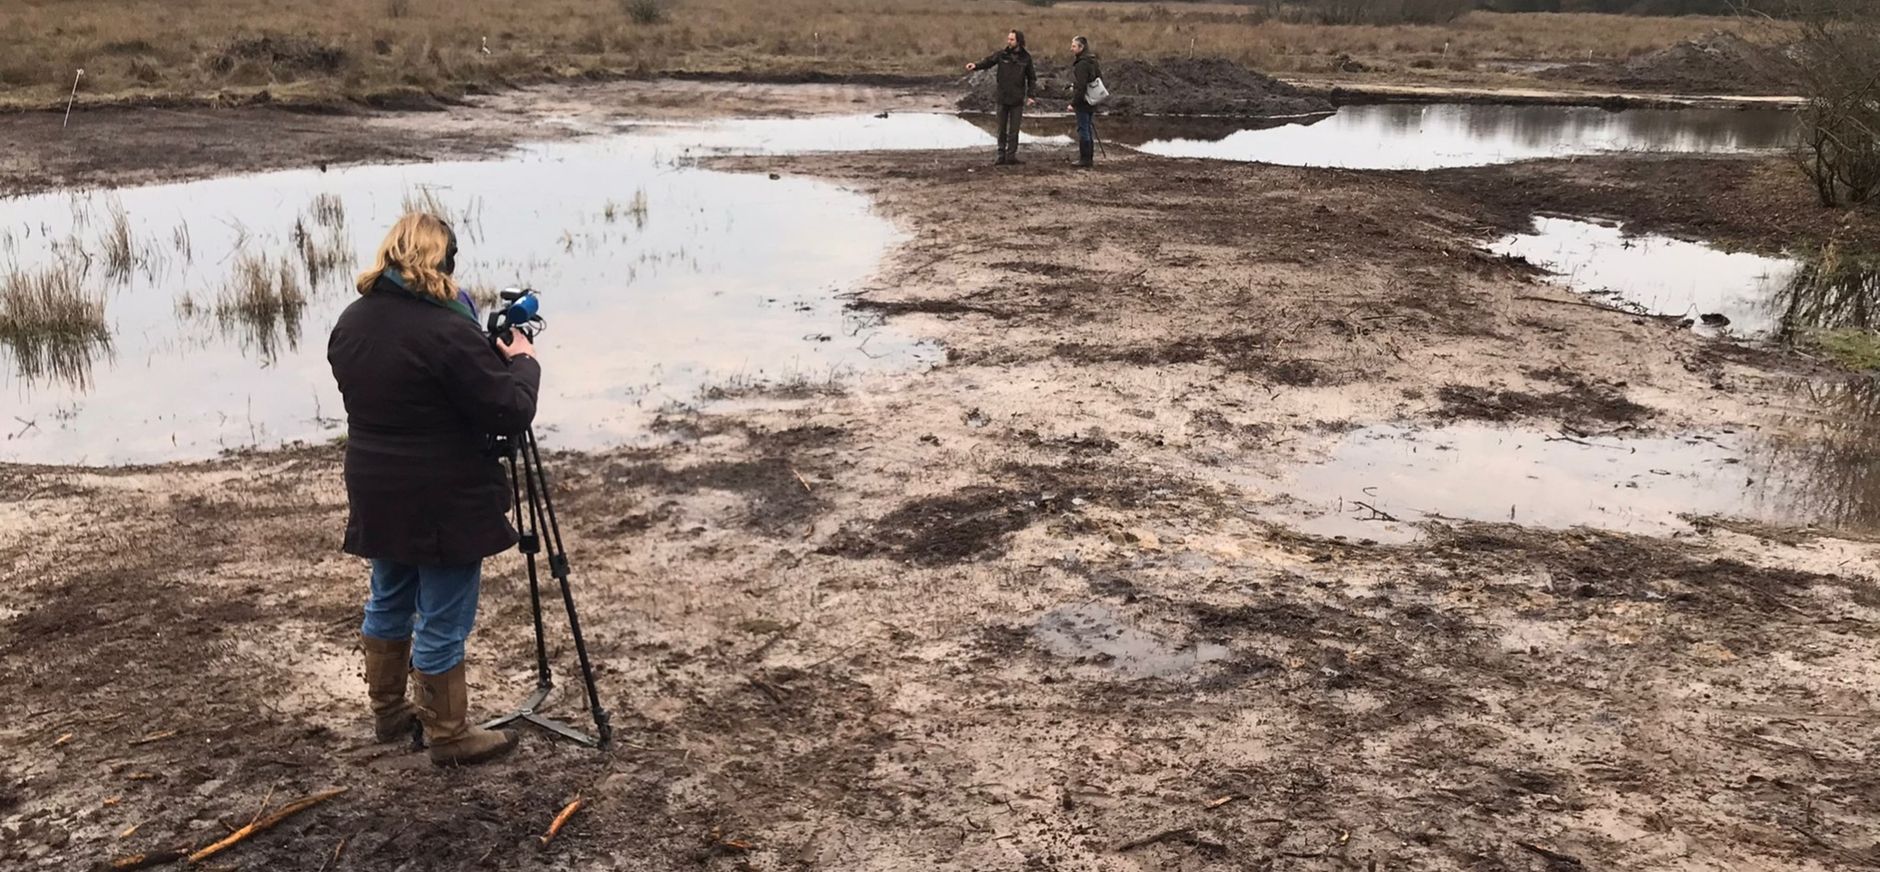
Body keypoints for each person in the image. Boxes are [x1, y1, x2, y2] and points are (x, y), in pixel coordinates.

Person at [327, 212, 540, 766]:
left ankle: (388, 712)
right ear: (439, 261)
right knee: (443, 614)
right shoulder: (447, 329)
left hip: (375, 484)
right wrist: (523, 364)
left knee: (390, 593)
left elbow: (405, 387)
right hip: (443, 493)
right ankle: (448, 734)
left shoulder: (352, 321)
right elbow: (509, 408)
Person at [966, 30, 1037, 165]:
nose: (1008, 41)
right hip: (1002, 97)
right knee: (1001, 128)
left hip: (1017, 98)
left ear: (1018, 41)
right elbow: (988, 62)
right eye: (1008, 39)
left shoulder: (1026, 58)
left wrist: (1031, 95)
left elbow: (1032, 78)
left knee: (1014, 130)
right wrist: (975, 66)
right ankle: (1000, 155)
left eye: (1012, 39)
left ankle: (1011, 156)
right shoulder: (1002, 54)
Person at [1068, 35, 1101, 168]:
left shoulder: (1082, 64)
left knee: (1083, 129)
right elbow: (1098, 79)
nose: (1071, 48)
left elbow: (1081, 86)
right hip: (1092, 99)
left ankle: (1085, 159)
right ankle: (1088, 158)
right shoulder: (1093, 61)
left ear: (1081, 47)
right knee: (1087, 128)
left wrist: (1073, 103)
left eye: (1074, 46)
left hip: (1084, 101)